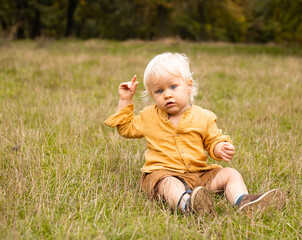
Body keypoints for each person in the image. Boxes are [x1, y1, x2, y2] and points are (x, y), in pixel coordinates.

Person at [104, 52, 285, 216]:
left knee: (230, 173)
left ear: (188, 86)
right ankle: (187, 204)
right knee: (168, 185)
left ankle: (243, 201)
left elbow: (213, 140)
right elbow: (126, 128)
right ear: (152, 95)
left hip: (200, 175)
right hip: (164, 173)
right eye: (159, 91)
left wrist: (219, 147)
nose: (167, 94)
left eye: (173, 87)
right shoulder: (149, 116)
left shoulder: (203, 116)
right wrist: (125, 99)